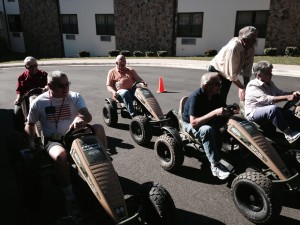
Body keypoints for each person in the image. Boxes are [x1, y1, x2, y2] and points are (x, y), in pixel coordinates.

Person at [24, 70, 108, 217]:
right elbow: (30, 124)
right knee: (60, 155)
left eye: (67, 84)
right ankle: (70, 197)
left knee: (99, 128)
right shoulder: (39, 102)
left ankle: (104, 164)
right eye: (61, 86)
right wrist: (31, 141)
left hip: (76, 135)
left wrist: (80, 118)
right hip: (54, 140)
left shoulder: (74, 96)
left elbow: (86, 114)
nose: (65, 89)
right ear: (49, 85)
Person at [182, 72, 238, 180]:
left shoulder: (216, 95)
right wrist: (215, 112)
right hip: (190, 124)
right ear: (207, 86)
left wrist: (232, 110)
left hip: (207, 121)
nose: (220, 86)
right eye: (217, 84)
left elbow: (223, 111)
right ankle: (215, 165)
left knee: (234, 120)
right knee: (206, 130)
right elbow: (193, 123)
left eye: (220, 83)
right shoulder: (196, 97)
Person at [245, 61, 300, 144]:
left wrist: (293, 93)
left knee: (289, 114)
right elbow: (267, 99)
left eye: (271, 72)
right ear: (259, 75)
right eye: (268, 73)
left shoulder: (270, 83)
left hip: (268, 111)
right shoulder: (253, 85)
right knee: (273, 109)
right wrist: (287, 97)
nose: (271, 75)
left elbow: (281, 93)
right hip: (254, 113)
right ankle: (288, 133)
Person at [208, 26, 258, 105]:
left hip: (228, 72)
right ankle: (209, 114)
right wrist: (241, 88)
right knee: (215, 96)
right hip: (217, 69)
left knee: (222, 97)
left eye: (255, 38)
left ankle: (220, 112)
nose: (255, 41)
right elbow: (231, 74)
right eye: (252, 39)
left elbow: (247, 69)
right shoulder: (234, 48)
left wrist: (246, 86)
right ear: (244, 40)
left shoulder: (251, 47)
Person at [14, 56, 48, 131]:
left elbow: (48, 85)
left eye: (35, 65)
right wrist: (18, 98)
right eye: (31, 67)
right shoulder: (22, 77)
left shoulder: (44, 74)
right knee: (17, 110)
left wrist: (46, 88)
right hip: (27, 98)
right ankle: (26, 123)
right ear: (26, 67)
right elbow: (20, 90)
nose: (34, 68)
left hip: (41, 96)